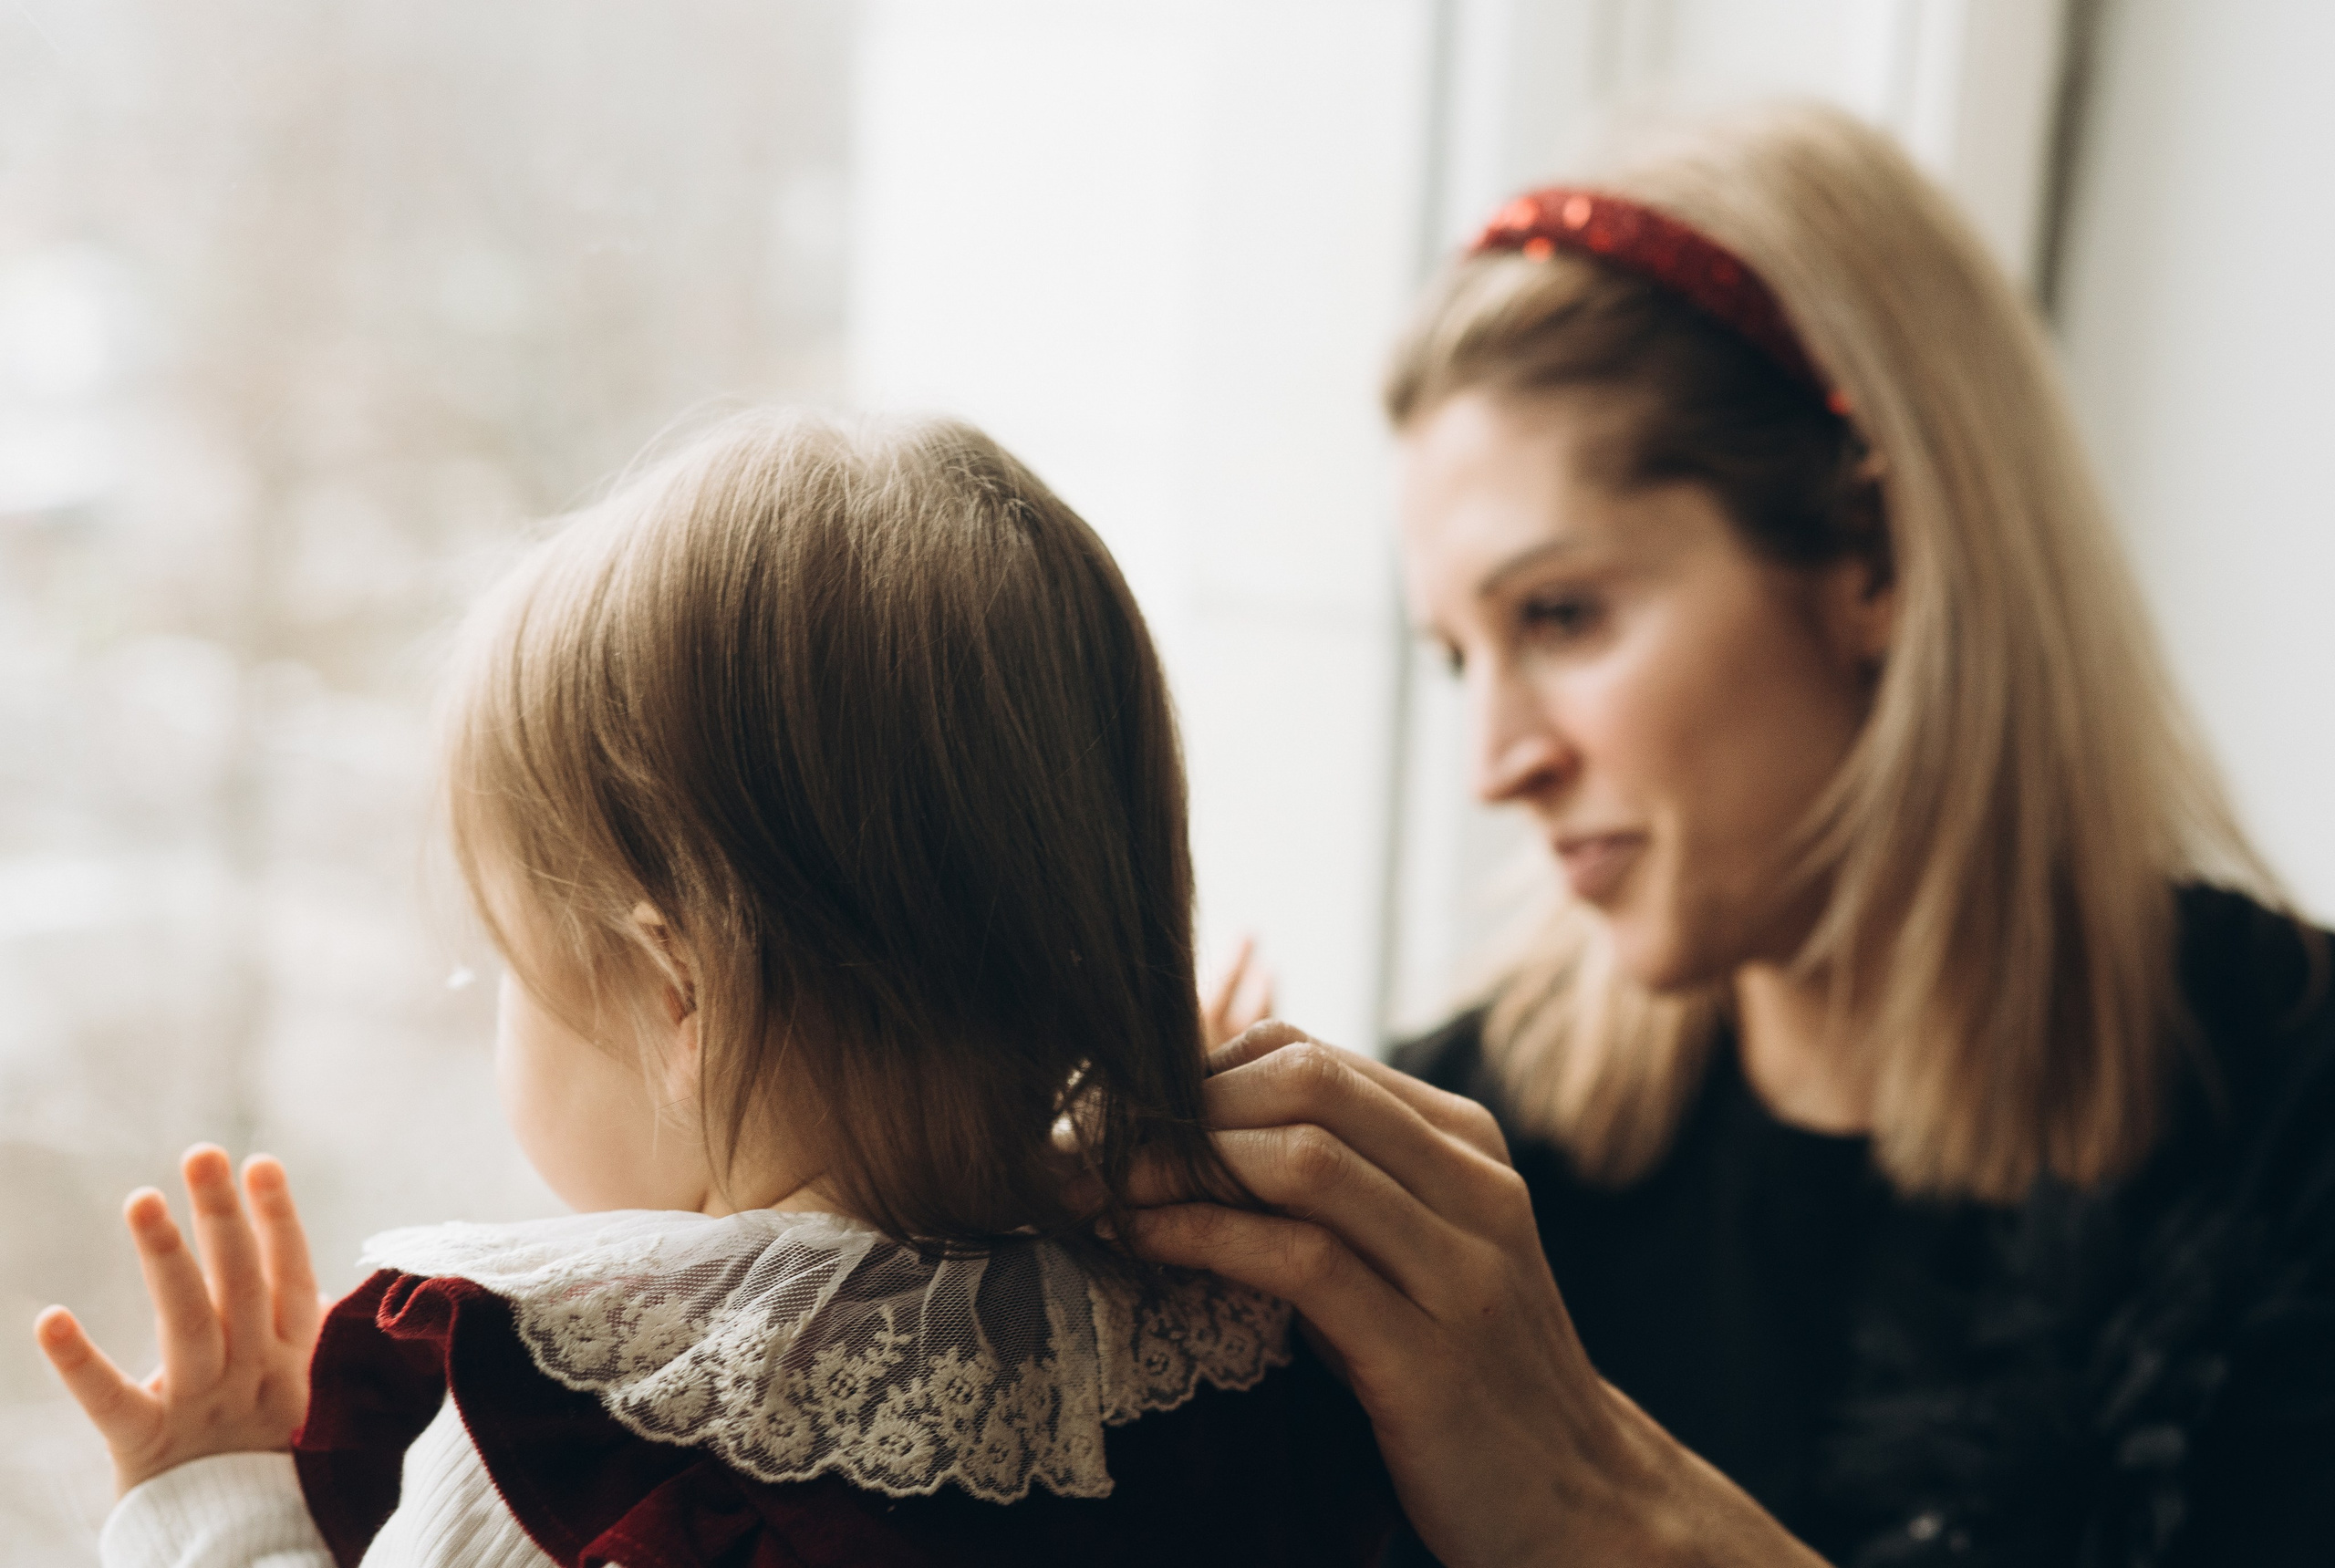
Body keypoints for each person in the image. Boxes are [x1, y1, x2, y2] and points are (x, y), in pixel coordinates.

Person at [1133, 102, 2335, 1566]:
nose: (1496, 766)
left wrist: (1608, 1512)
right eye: (1460, 656)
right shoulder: (1459, 1179)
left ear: (1875, 560)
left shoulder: (2297, 1129)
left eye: (1561, 618)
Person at [34, 411, 1390, 1568]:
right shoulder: (1233, 1358)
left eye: (511, 966)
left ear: (683, 997)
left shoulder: (578, 1448)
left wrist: (217, 1507)